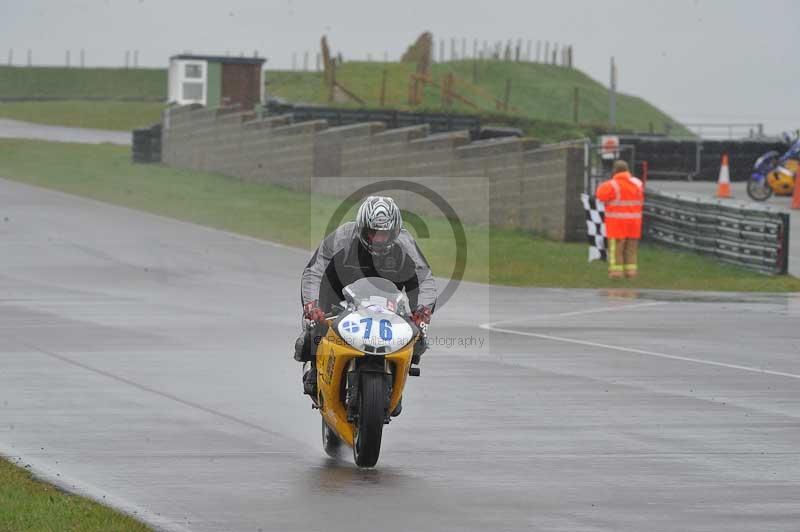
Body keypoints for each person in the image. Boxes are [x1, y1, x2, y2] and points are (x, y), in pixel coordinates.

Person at [294, 196, 437, 395]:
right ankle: (314, 367)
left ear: (395, 232)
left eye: (385, 234)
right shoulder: (342, 238)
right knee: (313, 333)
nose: (379, 239)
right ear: (362, 228)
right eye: (373, 232)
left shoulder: (405, 245)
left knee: (419, 337)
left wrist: (422, 310)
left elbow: (425, 279)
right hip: (337, 295)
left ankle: (398, 376)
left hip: (388, 302)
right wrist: (312, 305)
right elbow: (314, 271)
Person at [595, 160, 644, 279]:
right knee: (631, 249)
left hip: (617, 224)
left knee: (616, 249)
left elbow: (600, 196)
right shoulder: (638, 183)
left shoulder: (610, 185)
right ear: (627, 170)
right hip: (634, 223)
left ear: (614, 170)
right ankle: (631, 273)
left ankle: (616, 273)